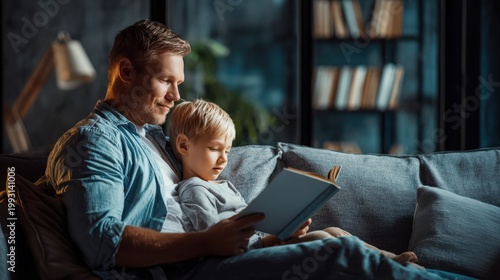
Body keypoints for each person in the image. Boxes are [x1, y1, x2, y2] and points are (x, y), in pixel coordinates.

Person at [45, 19, 452, 279]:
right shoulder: (95, 141)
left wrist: (273, 233)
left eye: (179, 84)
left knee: (332, 241)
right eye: (166, 81)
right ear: (127, 72)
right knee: (338, 252)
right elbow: (103, 244)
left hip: (211, 257)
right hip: (190, 267)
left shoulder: (154, 138)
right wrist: (209, 242)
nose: (175, 96)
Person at [166, 98, 419, 264]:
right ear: (184, 145)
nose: (223, 159)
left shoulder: (222, 185)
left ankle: (390, 259)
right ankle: (386, 265)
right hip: (249, 256)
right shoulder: (193, 189)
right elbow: (212, 239)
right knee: (325, 239)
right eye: (214, 148)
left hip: (264, 245)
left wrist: (283, 230)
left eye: (228, 151)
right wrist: (270, 241)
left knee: (335, 231)